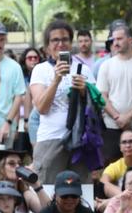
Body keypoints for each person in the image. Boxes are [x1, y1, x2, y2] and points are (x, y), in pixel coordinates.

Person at [30, 20, 96, 180]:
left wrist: (83, 91)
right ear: (47, 45)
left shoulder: (84, 69)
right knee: (47, 190)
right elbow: (42, 108)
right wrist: (56, 79)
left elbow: (95, 108)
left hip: (79, 140)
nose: (60, 44)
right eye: (55, 40)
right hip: (50, 139)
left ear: (71, 42)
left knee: (80, 191)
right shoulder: (41, 69)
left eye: (65, 39)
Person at [96, 24, 132, 163]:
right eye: (114, 39)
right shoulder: (106, 66)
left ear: (130, 40)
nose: (115, 43)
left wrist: (128, 117)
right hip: (112, 125)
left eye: (120, 38)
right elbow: (102, 96)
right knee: (110, 164)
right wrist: (117, 117)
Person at [0, 23, 27, 152]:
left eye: (1, 39)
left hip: (5, 123)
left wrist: (8, 123)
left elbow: (18, 96)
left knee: (4, 164)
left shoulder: (14, 67)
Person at [0, 147, 49, 213]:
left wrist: (37, 186)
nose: (17, 166)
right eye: (12, 163)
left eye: (20, 164)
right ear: (1, 169)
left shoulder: (25, 194)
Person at [98, 129, 132, 208]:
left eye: (131, 141)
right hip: (124, 203)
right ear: (120, 147)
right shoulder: (115, 166)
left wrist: (111, 201)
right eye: (124, 142)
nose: (128, 145)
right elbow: (103, 182)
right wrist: (123, 195)